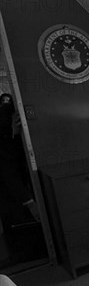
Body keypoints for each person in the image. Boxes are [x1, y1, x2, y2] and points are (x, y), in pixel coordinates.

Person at [0, 93, 39, 225]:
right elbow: (9, 173)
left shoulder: (16, 138)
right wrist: (30, 203)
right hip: (15, 206)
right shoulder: (5, 142)